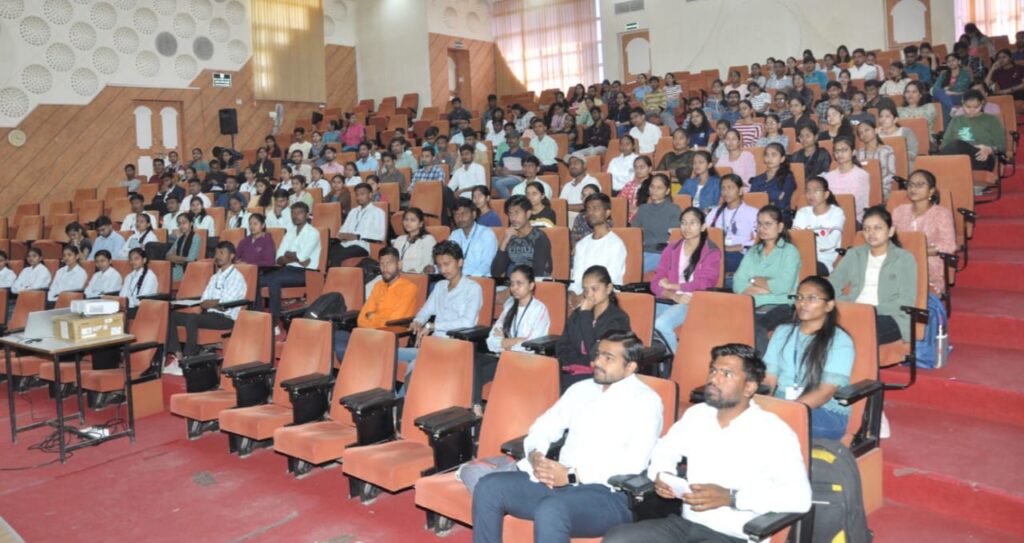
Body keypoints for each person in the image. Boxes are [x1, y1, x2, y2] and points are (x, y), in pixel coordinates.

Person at [602, 343, 812, 543]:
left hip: (734, 535)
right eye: (713, 370)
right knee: (618, 538)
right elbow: (664, 450)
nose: (714, 379)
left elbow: (799, 498)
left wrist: (731, 498)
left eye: (726, 374)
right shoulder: (698, 415)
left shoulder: (773, 432)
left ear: (749, 387)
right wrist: (662, 474)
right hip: (686, 525)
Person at [473, 329, 662, 543]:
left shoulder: (646, 401)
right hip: (559, 483)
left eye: (608, 358)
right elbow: (544, 426)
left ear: (630, 367)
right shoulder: (581, 389)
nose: (597, 362)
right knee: (489, 487)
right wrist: (536, 456)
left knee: (552, 509)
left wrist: (572, 475)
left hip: (609, 495)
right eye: (598, 354)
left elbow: (632, 465)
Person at [762, 276, 856, 440]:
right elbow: (769, 380)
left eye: (812, 298)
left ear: (829, 305)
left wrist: (789, 412)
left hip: (823, 411)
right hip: (783, 403)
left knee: (770, 428)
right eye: (799, 297)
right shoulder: (782, 332)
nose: (802, 303)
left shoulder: (840, 340)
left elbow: (825, 392)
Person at [399, 241, 483, 391]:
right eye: (439, 265)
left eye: (447, 264)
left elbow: (468, 322)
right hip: (433, 346)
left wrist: (433, 326)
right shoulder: (440, 286)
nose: (443, 269)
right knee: (387, 353)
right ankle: (389, 402)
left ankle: (402, 409)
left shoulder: (473, 289)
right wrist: (418, 321)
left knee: (414, 366)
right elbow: (425, 311)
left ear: (460, 262)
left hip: (454, 347)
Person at [830, 206, 917, 344]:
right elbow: (831, 284)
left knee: (857, 331)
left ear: (891, 231)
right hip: (855, 312)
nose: (871, 233)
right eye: (866, 229)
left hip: (890, 317)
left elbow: (905, 301)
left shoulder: (905, 259)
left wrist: (869, 311)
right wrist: (849, 305)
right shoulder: (854, 255)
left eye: (877, 228)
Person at [473, 265, 551, 405]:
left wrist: (505, 342)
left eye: (519, 283)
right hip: (505, 359)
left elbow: (530, 347)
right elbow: (491, 341)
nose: (514, 288)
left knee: (482, 369)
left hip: (525, 363)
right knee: (473, 360)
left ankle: (482, 409)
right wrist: (514, 341)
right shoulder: (509, 307)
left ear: (531, 285)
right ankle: (476, 407)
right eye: (512, 283)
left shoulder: (539, 310)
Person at [651, 207, 722, 353]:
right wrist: (672, 294)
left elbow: (705, 283)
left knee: (661, 324)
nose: (687, 228)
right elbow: (655, 281)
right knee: (640, 320)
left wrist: (675, 286)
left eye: (692, 223)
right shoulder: (671, 249)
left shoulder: (711, 251)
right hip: (670, 299)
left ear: (703, 226)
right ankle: (660, 366)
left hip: (694, 301)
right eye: (683, 223)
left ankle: (678, 364)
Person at [733, 205, 801, 355]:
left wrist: (753, 281)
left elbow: (782, 287)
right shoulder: (753, 251)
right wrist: (760, 283)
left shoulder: (790, 252)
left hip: (780, 304)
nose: (762, 228)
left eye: (768, 224)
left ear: (780, 226)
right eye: (759, 224)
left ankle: (762, 370)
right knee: (726, 319)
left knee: (754, 325)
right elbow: (738, 283)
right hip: (750, 303)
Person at [165, 241, 247, 363]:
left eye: (222, 253)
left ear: (231, 256)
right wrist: (212, 303)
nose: (218, 256)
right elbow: (204, 300)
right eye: (216, 253)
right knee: (172, 315)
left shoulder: (237, 277)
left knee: (192, 318)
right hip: (210, 315)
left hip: (226, 319)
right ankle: (178, 354)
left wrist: (212, 303)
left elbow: (225, 304)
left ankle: (189, 358)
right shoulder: (214, 277)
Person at [333, 246, 419, 362]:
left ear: (399, 265)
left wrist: (372, 316)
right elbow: (361, 319)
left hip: (387, 340)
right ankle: (358, 359)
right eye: (382, 264)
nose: (385, 268)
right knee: (333, 335)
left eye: (389, 263)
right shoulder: (378, 286)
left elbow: (392, 325)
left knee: (345, 349)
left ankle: (356, 360)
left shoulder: (409, 288)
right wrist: (375, 320)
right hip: (366, 336)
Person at [892, 170, 956, 295]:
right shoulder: (899, 211)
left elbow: (949, 246)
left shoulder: (941, 214)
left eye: (920, 185)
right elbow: (891, 238)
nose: (913, 188)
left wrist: (918, 252)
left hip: (929, 260)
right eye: (910, 185)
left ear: (931, 190)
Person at [258, 202, 321, 327]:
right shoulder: (290, 232)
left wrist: (291, 256)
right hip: (288, 269)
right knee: (256, 280)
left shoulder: (313, 233)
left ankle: (274, 322)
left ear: (307, 215)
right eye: (293, 213)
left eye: (299, 212)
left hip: (307, 273)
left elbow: (301, 257)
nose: (295, 216)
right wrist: (293, 257)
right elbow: (279, 258)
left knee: (274, 280)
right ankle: (258, 316)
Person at [570, 194, 626, 304]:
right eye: (588, 209)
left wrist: (586, 295)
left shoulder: (616, 244)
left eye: (596, 208)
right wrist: (572, 293)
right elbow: (577, 277)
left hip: (606, 297)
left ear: (607, 213)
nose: (591, 213)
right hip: (584, 295)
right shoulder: (582, 244)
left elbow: (611, 278)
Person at [938, 89, 1005, 172]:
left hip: (982, 157)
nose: (972, 110)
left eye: (976, 107)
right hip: (958, 158)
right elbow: (945, 143)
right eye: (968, 107)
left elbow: (1002, 147)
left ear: (982, 103)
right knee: (954, 147)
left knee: (957, 144)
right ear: (962, 103)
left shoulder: (992, 120)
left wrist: (990, 149)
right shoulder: (956, 120)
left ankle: (937, 165)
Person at [792, 176, 845, 275]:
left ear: (826, 194)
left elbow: (831, 242)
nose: (811, 195)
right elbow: (795, 238)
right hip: (801, 258)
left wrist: (808, 239)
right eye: (808, 191)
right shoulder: (802, 212)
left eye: (816, 191)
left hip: (824, 261)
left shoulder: (836, 213)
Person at [706, 174, 758, 274]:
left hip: (740, 253)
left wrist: (740, 246)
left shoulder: (752, 212)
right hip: (717, 251)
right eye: (723, 188)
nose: (726, 192)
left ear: (741, 190)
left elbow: (760, 239)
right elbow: (704, 234)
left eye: (730, 187)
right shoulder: (714, 212)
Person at [328, 183, 386, 267]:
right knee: (326, 252)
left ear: (370, 195)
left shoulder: (378, 212)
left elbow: (380, 235)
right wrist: (342, 235)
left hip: (362, 245)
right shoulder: (353, 211)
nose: (359, 197)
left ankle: (334, 279)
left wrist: (357, 236)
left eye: (362, 194)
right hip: (345, 243)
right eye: (357, 195)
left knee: (337, 257)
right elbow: (343, 229)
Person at [633, 174, 681, 274]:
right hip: (641, 251)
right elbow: (633, 233)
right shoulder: (643, 209)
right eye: (652, 186)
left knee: (633, 268)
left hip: (661, 253)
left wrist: (646, 242)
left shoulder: (674, 209)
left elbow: (672, 238)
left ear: (667, 191)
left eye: (659, 188)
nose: (654, 190)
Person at [823, 137, 870, 224]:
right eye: (837, 151)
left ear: (853, 152)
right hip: (831, 219)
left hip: (854, 219)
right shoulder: (828, 177)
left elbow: (861, 205)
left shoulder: (862, 175)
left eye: (844, 150)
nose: (840, 154)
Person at [449, 197, 498, 277]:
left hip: (479, 279)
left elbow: (486, 265)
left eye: (463, 213)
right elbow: (449, 260)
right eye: (456, 214)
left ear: (474, 214)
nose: (460, 218)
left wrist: (468, 277)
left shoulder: (486, 234)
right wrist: (435, 269)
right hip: (457, 278)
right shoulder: (454, 235)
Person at [748, 143, 796, 211]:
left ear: (782, 159)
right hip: (757, 214)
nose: (769, 158)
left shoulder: (787, 178)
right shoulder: (757, 179)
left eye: (774, 155)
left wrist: (763, 195)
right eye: (767, 155)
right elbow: (752, 201)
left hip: (779, 214)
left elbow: (783, 203)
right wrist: (775, 195)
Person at [856, 119, 896, 199]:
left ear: (875, 130)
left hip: (883, 188)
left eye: (867, 130)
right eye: (861, 133)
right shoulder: (858, 154)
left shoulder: (886, 150)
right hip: (862, 189)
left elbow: (891, 174)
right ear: (859, 138)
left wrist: (876, 188)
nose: (864, 134)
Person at [931, 53, 972, 126]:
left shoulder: (965, 74)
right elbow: (935, 88)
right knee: (939, 93)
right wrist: (945, 92)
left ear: (959, 61)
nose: (951, 63)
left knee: (943, 102)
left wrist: (948, 91)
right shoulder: (944, 74)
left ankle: (944, 132)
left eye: (953, 60)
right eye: (948, 61)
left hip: (959, 97)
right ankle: (953, 107)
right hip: (946, 97)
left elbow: (961, 88)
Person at [119, 248, 158, 319]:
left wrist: (128, 303)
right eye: (131, 259)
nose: (133, 261)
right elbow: (122, 295)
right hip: (128, 307)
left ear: (144, 260)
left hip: (141, 309)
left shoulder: (150, 276)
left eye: (136, 258)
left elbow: (142, 300)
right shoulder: (129, 276)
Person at [166, 213, 201, 282]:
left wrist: (174, 258)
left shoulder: (196, 238)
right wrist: (181, 259)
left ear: (191, 223)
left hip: (188, 270)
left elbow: (190, 259)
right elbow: (168, 255)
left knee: (165, 276)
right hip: (178, 267)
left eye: (184, 223)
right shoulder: (179, 238)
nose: (182, 226)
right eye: (179, 224)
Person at [619, 155, 654, 222]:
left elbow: (652, 205)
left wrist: (637, 210)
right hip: (625, 215)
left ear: (650, 169)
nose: (638, 170)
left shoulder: (654, 185)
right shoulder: (629, 185)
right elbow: (620, 201)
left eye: (642, 167)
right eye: (636, 167)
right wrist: (626, 210)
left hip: (644, 217)